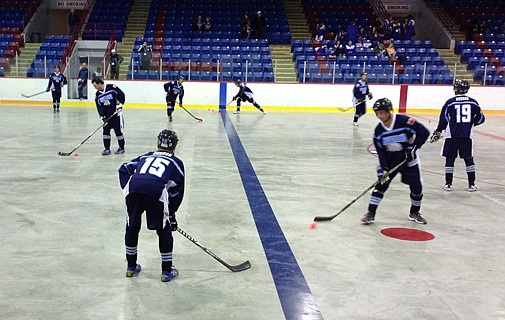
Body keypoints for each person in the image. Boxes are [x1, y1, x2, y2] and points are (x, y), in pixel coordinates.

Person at [118, 129, 184, 282]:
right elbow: (176, 191)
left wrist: (129, 186)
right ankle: (166, 271)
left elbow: (125, 168)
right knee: (163, 229)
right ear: (174, 146)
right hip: (155, 189)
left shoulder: (146, 156)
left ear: (157, 143)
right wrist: (171, 214)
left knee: (132, 226)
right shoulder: (176, 162)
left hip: (133, 187)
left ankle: (131, 267)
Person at [361, 98, 430, 225]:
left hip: (408, 160)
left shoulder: (404, 121)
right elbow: (381, 154)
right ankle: (371, 213)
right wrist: (382, 168)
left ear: (389, 111)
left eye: (383, 112)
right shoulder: (378, 132)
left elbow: (424, 132)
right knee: (381, 185)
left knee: (416, 187)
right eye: (378, 113)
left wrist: (414, 147)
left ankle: (414, 212)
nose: (380, 116)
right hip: (391, 161)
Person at [430, 80, 486, 192]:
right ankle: (471, 184)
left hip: (451, 135)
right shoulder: (473, 102)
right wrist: (470, 124)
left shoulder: (450, 102)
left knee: (450, 159)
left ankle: (448, 184)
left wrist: (438, 131)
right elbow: (481, 119)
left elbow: (444, 119)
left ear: (455, 89)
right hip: (466, 135)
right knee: (468, 159)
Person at [91, 78, 126, 155]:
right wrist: (101, 117)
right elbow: (99, 107)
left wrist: (120, 104)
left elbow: (121, 94)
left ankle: (121, 148)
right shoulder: (97, 95)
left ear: (100, 83)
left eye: (95, 85)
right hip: (106, 117)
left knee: (118, 131)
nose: (95, 87)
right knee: (106, 132)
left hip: (115, 114)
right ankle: (107, 149)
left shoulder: (111, 87)